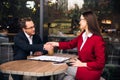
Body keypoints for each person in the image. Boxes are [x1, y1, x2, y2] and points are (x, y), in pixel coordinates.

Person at [44, 11, 106, 80]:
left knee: (61, 68)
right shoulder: (83, 35)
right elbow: (70, 44)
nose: (79, 22)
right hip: (80, 67)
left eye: (81, 20)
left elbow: (100, 63)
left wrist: (83, 64)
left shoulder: (97, 39)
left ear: (87, 21)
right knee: (67, 78)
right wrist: (55, 44)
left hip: (91, 71)